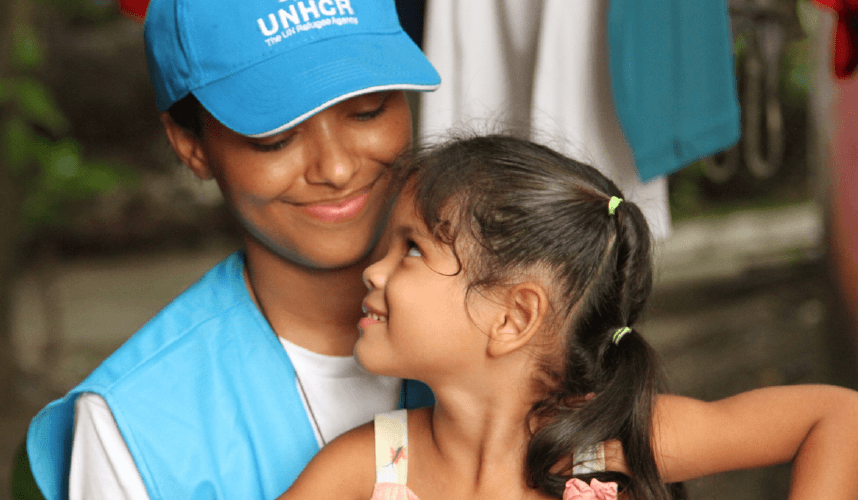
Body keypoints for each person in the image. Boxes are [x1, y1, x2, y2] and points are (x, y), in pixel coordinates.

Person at [279, 135, 858, 500]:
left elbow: (836, 416)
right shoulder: (369, 468)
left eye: (410, 249)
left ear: (513, 316)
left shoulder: (613, 443)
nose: (371, 273)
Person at [24, 0, 440, 498]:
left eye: (367, 110)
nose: (336, 169)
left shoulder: (521, 323)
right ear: (189, 144)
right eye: (277, 138)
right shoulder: (137, 426)